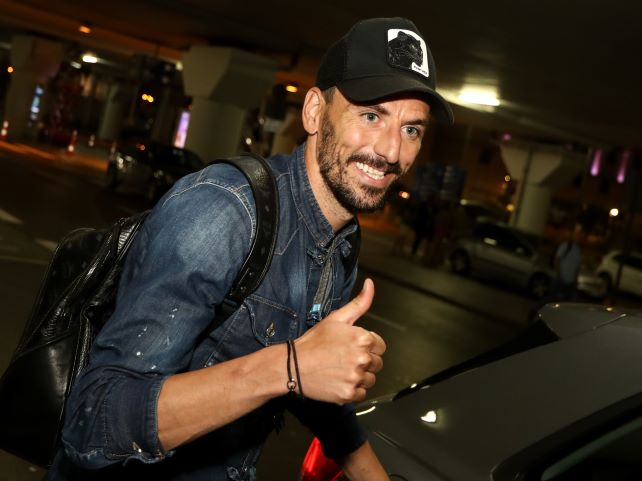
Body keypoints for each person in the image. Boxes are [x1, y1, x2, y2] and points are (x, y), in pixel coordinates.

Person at [45, 17, 453, 481]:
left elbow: (315, 386)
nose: (391, 151)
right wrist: (289, 366)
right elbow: (94, 421)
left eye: (412, 129)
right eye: (371, 116)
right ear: (314, 112)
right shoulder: (224, 211)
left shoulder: (339, 241)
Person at [552, 225, 583, 301]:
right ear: (573, 235)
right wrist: (559, 276)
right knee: (554, 301)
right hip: (560, 281)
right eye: (577, 234)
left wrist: (575, 281)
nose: (579, 237)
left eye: (580, 235)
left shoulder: (578, 250)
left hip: (570, 284)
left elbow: (577, 267)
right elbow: (557, 260)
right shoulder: (566, 246)